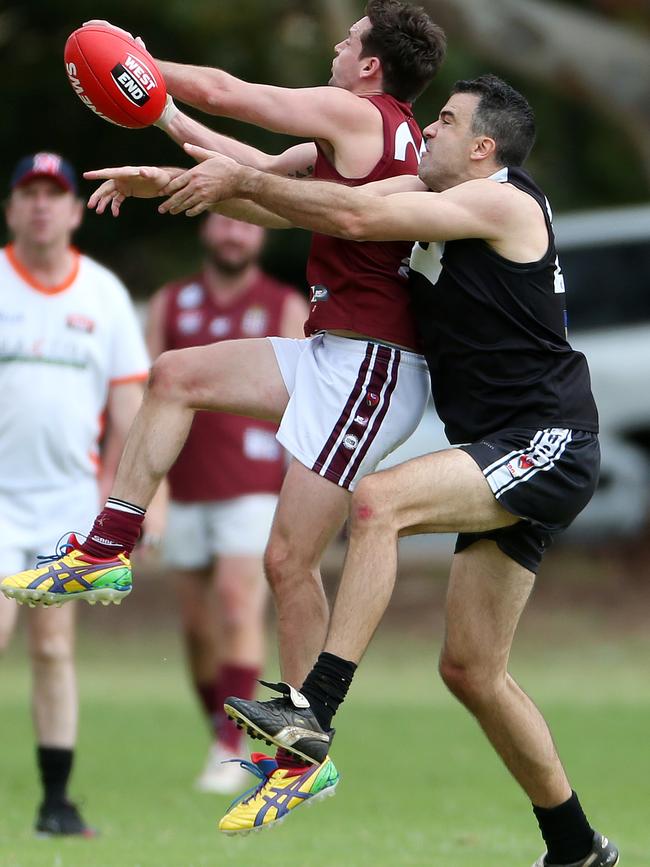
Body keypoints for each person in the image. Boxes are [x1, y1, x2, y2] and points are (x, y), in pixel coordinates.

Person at [142, 76, 618, 865]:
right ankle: (576, 847)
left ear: (482, 149)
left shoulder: (503, 203)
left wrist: (244, 179)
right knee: (471, 669)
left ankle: (315, 709)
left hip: (547, 440)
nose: (426, 129)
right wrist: (181, 167)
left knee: (380, 501)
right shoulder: (433, 188)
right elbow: (291, 198)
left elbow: (354, 214)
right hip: (498, 449)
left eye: (445, 122)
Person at [1, 0, 447, 831]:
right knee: (173, 375)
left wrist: (131, 63)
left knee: (286, 559)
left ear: (372, 67)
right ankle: (107, 548)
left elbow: (229, 92)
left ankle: (304, 753)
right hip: (330, 355)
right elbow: (254, 183)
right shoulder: (357, 139)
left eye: (348, 41)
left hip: (372, 365)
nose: (334, 47)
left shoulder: (361, 114)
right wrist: (166, 150)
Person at [0, 153, 155, 836]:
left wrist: (143, 501)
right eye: (27, 194)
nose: (40, 205)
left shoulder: (102, 294)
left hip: (68, 500)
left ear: (72, 211)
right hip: (0, 499)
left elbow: (131, 412)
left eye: (52, 195)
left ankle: (56, 804)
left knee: (54, 648)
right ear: (11, 209)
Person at [146, 213, 307, 793]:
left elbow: (307, 402)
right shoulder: (170, 302)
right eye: (224, 223)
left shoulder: (285, 304)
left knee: (238, 606)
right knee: (196, 627)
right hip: (185, 486)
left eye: (246, 225)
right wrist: (150, 493)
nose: (235, 234)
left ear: (262, 234)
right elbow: (147, 396)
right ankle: (219, 730)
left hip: (254, 485)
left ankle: (230, 746)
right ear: (205, 229)